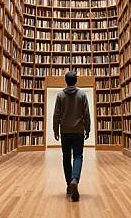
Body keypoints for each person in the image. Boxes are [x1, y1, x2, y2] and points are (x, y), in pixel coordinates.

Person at [53, 71, 90, 202]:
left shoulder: (60, 95)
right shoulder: (82, 95)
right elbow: (86, 113)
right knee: (78, 156)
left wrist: (55, 130)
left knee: (66, 157)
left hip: (65, 131)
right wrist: (88, 128)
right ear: (76, 81)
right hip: (78, 131)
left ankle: (69, 185)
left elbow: (56, 114)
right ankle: (75, 179)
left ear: (65, 80)